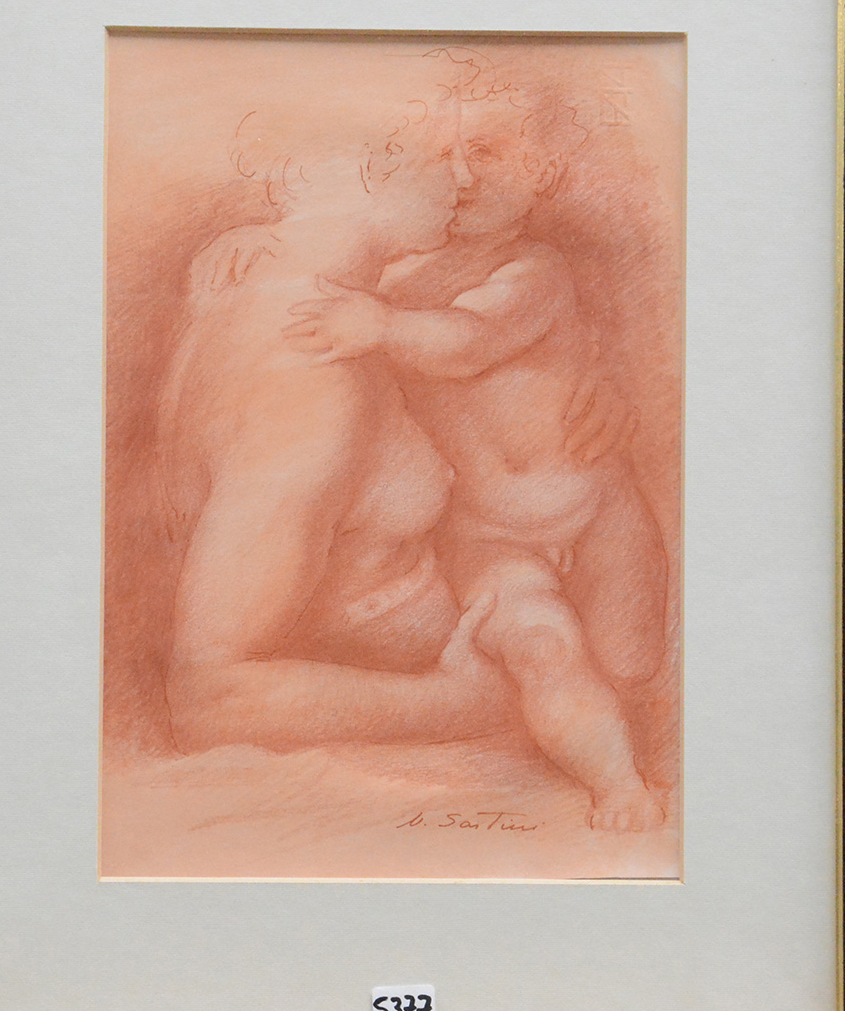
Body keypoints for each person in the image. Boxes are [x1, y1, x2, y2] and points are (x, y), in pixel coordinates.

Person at [283, 79, 669, 831]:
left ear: (542, 173)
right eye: (444, 155)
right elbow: (307, 258)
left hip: (601, 512)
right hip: (487, 537)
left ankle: (616, 739)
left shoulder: (536, 272)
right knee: (543, 644)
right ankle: (618, 785)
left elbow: (470, 343)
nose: (460, 176)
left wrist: (383, 327)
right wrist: (244, 247)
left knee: (631, 663)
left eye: (487, 153)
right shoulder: (392, 282)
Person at [156, 93, 522, 757]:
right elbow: (213, 696)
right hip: (403, 745)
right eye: (441, 156)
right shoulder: (309, 382)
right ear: (372, 168)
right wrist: (464, 703)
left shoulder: (261, 289)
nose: (465, 181)